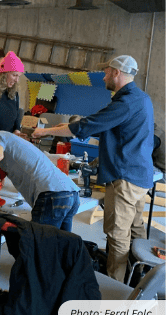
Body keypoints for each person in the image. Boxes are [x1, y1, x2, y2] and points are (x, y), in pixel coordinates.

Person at [32, 54, 155, 282]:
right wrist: (65, 126)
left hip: (125, 178)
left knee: (118, 236)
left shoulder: (125, 102)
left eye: (107, 72)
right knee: (136, 232)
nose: (104, 76)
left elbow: (88, 126)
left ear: (117, 73)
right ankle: (140, 279)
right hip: (140, 177)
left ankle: (115, 289)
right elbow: (108, 127)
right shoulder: (141, 98)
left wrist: (46, 131)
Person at [0, 128, 80, 231]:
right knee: (62, 246)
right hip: (71, 193)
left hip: (52, 195)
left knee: (41, 249)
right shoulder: (7, 139)